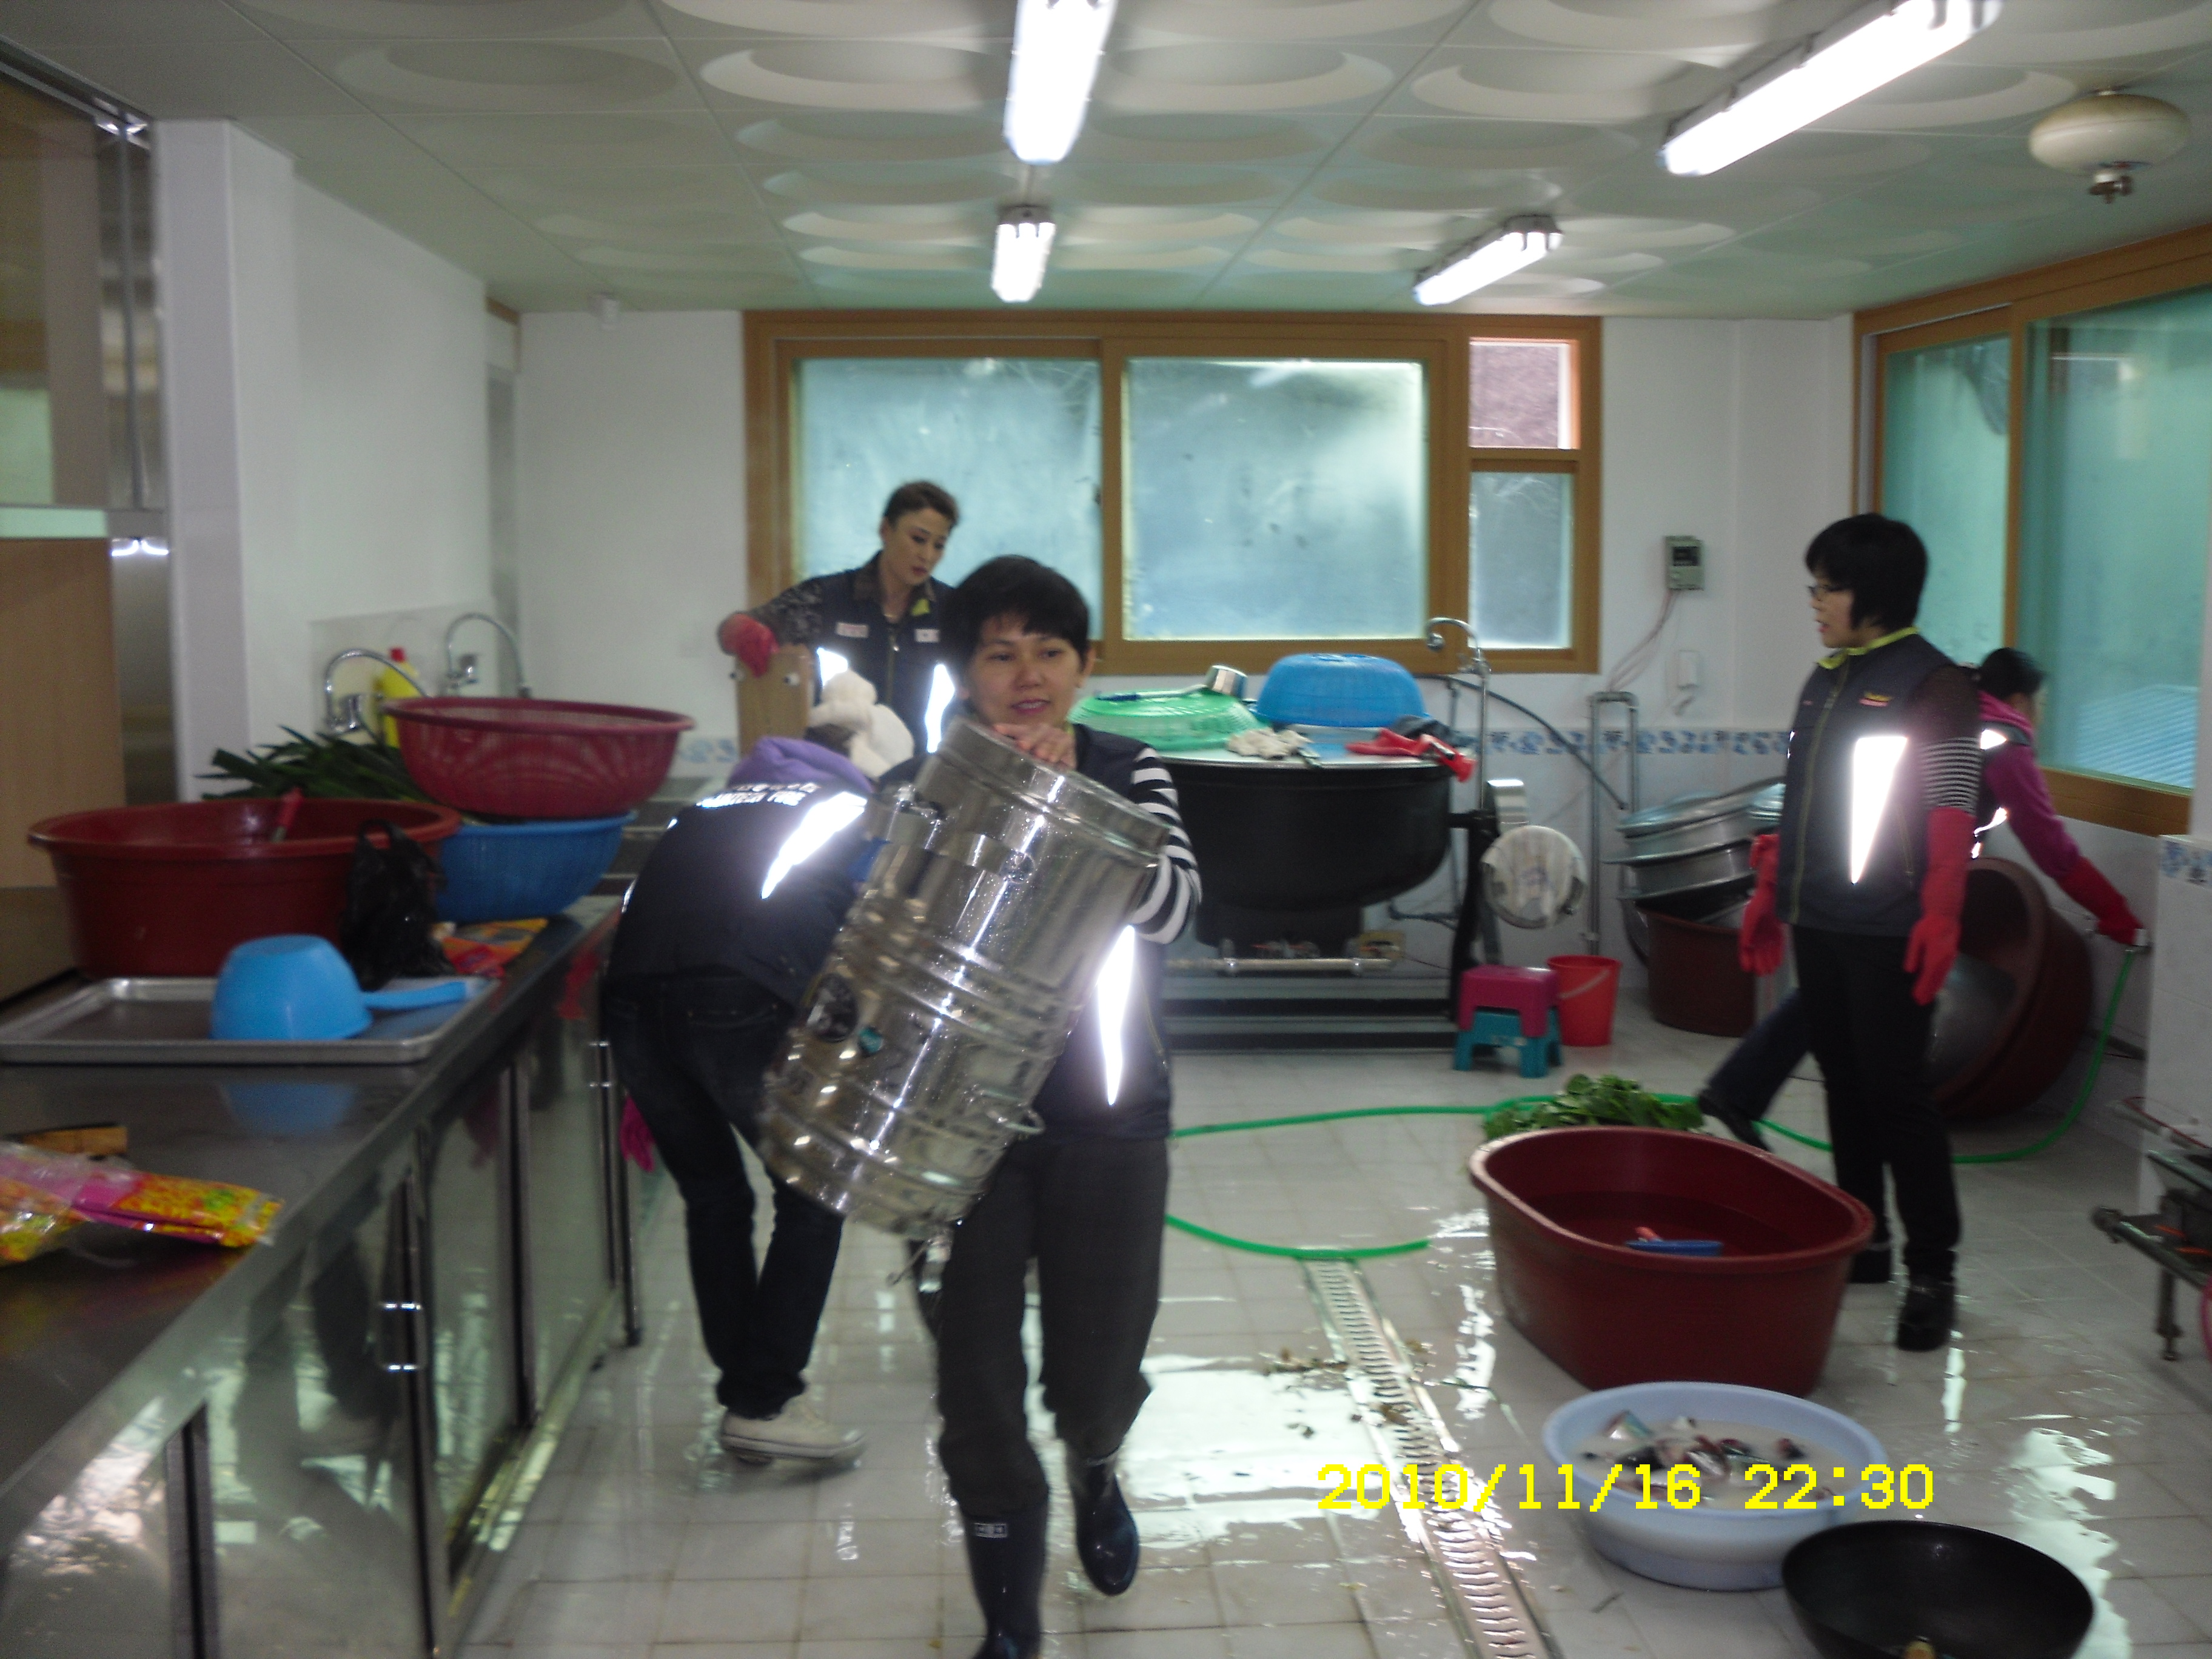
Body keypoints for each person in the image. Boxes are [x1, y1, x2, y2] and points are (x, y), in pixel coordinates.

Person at [899, 556, 1201, 1659]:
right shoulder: (926, 782)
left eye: (1050, 650)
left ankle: (1096, 1464)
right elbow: (896, 927)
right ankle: (1011, 1625)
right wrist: (996, 804)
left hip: (1109, 1115)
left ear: (1084, 666)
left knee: (1099, 1365)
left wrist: (1071, 813)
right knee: (974, 1385)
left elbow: (1173, 911)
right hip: (960, 1128)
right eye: (999, 652)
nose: (1026, 674)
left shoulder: (1131, 768)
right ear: (964, 672)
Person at [1701, 645, 2148, 1162]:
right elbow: (2052, 849)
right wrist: (2116, 914)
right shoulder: (2004, 741)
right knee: (1872, 1027)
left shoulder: (1931, 706)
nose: (2041, 717)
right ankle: (1879, 1143)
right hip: (1895, 890)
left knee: (1831, 997)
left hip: (1843, 870)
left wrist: (1776, 874)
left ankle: (1741, 1091)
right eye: (2041, 705)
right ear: (2021, 700)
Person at [1735, 515, 1982, 1352]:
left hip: (1891, 926)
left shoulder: (1933, 685)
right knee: (1842, 1084)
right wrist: (1772, 886)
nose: (1815, 602)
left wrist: (1942, 911)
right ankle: (1864, 1238)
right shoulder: (1828, 678)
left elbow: (1952, 808)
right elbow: (1804, 792)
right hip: (1822, 916)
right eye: (1815, 586)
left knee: (1895, 1094)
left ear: (1872, 594)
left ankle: (1934, 1272)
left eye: (1828, 587)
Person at [602, 728, 879, 1462]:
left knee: (714, 1198)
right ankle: (764, 1401)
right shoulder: (849, 807)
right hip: (732, 997)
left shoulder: (709, 806)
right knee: (812, 1192)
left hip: (630, 1003)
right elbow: (870, 938)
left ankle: (748, 1398)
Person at [719, 480, 964, 752]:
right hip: (835, 762)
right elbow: (739, 628)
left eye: (939, 545)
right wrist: (741, 631)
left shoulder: (949, 608)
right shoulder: (830, 597)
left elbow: (979, 675)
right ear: (885, 530)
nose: (927, 555)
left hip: (910, 763)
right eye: (918, 539)